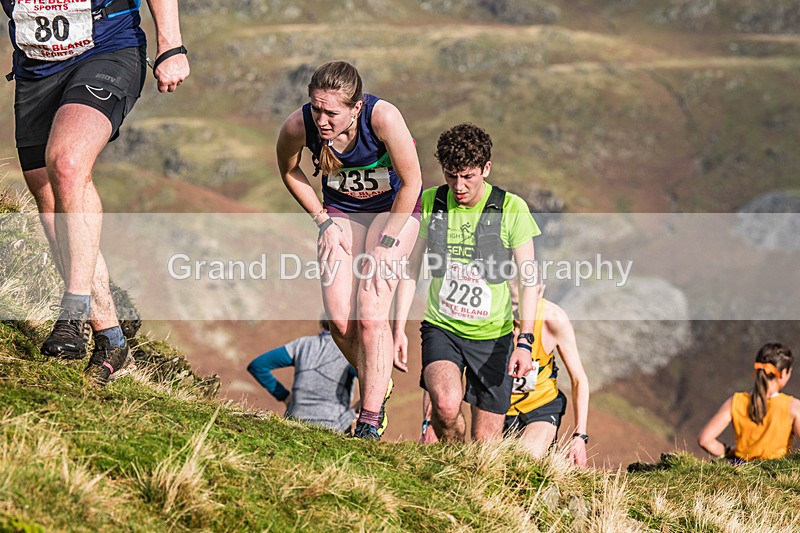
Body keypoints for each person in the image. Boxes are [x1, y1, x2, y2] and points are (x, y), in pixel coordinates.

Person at [3, 0, 190, 385]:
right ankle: (111, 340)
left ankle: (72, 312)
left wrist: (171, 45)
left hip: (107, 49)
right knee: (52, 202)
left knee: (68, 163)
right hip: (36, 68)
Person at [276, 60, 422, 440]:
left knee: (372, 311)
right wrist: (322, 220)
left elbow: (412, 182)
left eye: (332, 112)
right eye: (316, 107)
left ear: (356, 107)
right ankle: (379, 378)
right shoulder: (299, 124)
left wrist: (388, 244)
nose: (321, 119)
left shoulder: (383, 117)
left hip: (394, 211)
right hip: (342, 212)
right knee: (340, 320)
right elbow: (289, 170)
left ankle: (370, 419)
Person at [394, 122, 540, 443]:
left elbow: (528, 279)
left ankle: (466, 472)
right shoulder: (431, 202)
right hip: (441, 327)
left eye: (468, 176)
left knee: (485, 445)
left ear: (486, 169)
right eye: (451, 175)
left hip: (494, 336)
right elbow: (411, 269)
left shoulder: (511, 208)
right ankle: (453, 455)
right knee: (444, 407)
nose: (459, 186)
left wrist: (525, 342)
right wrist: (398, 328)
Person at [504, 285, 590, 467]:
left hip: (541, 406)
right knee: (492, 466)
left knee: (525, 461)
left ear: (540, 291)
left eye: (525, 303)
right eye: (513, 303)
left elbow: (579, 379)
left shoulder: (554, 319)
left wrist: (580, 436)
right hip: (498, 408)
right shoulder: (491, 316)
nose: (519, 313)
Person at [247, 318, 366, 434]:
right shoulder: (349, 351)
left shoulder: (301, 345)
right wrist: (356, 409)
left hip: (294, 423)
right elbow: (372, 383)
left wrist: (285, 396)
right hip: (335, 426)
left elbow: (258, 366)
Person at [698, 342, 800, 462]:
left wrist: (728, 451)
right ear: (783, 374)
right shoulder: (793, 407)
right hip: (775, 473)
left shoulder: (735, 401)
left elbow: (704, 440)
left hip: (740, 471)